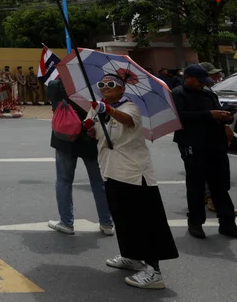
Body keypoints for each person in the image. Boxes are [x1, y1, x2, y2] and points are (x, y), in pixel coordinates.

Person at [90, 69, 178, 289]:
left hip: (134, 174)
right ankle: (132, 256)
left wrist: (107, 109)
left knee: (145, 222)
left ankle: (155, 272)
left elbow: (128, 121)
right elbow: (93, 132)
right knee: (123, 218)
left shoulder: (130, 107)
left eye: (111, 85)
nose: (105, 89)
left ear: (122, 89)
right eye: (102, 85)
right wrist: (89, 127)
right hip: (111, 170)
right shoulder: (96, 108)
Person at [172, 64, 237, 239]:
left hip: (215, 144)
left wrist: (226, 117)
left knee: (221, 185)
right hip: (192, 144)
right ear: (188, 78)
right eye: (200, 81)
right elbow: (179, 117)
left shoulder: (209, 93)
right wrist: (209, 114)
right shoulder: (178, 94)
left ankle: (227, 222)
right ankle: (195, 222)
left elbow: (219, 114)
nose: (203, 85)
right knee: (196, 185)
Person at [46, 78, 114, 236]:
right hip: (90, 138)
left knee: (64, 181)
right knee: (99, 182)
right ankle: (106, 223)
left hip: (65, 138)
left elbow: (54, 107)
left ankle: (66, 222)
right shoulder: (95, 86)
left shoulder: (56, 84)